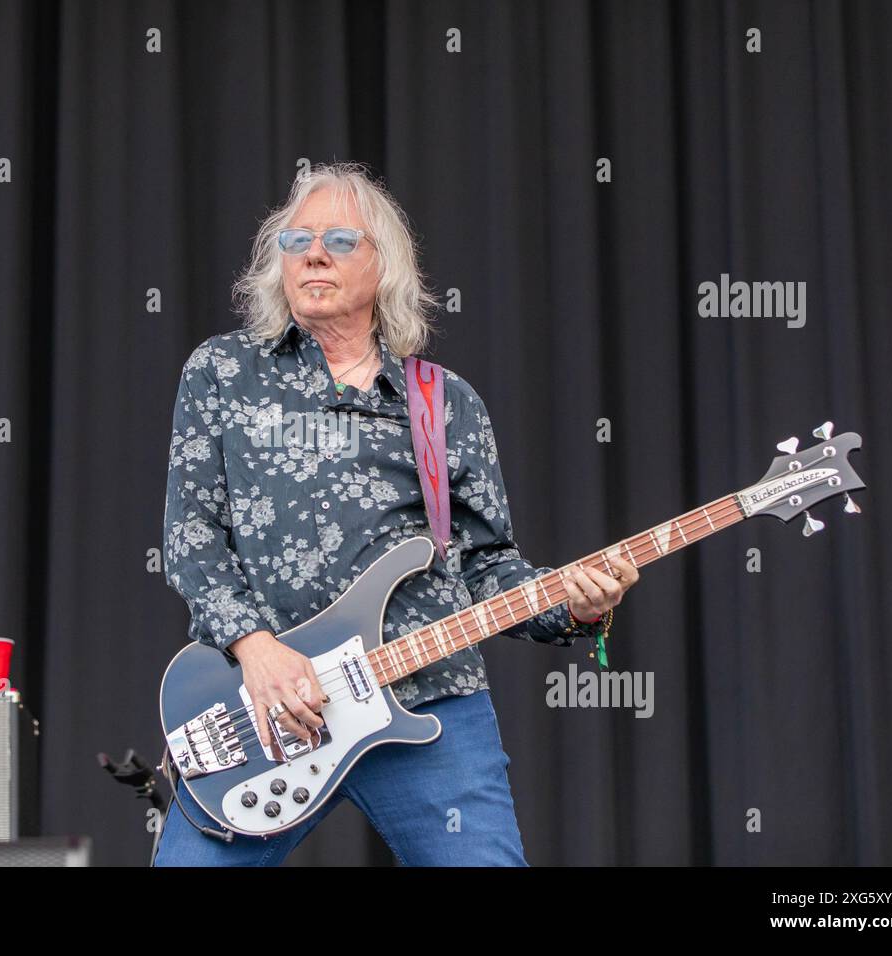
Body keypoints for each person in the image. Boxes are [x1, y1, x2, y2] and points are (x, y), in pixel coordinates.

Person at [156, 162, 638, 866]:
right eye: (296, 240)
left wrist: (577, 607)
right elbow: (190, 534)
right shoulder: (222, 372)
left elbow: (485, 565)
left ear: (386, 266)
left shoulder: (444, 403)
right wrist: (255, 650)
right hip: (264, 707)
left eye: (340, 240)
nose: (313, 253)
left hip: (430, 701)